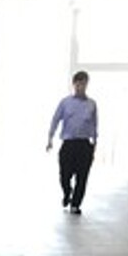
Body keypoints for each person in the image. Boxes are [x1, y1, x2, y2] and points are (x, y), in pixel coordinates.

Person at [47, 71, 98, 215]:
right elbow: (55, 119)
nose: (81, 87)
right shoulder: (65, 103)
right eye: (78, 84)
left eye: (84, 84)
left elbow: (94, 124)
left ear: (87, 85)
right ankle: (67, 192)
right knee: (64, 174)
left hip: (84, 144)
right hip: (68, 144)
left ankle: (76, 204)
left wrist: (94, 144)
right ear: (74, 84)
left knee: (82, 176)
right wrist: (50, 138)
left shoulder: (91, 104)